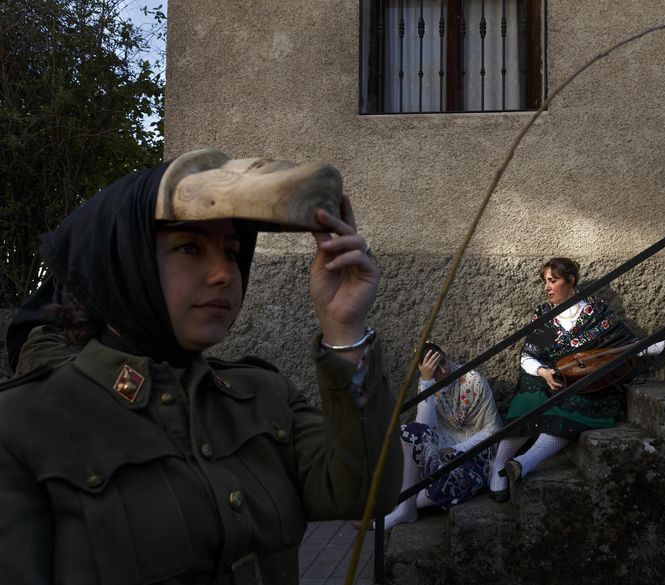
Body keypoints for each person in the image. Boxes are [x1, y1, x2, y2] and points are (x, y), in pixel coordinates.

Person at [0, 150, 402, 584]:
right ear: (124, 264)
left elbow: (366, 494)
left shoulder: (262, 394)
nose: (222, 275)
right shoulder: (23, 425)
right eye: (189, 248)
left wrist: (344, 330)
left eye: (231, 253)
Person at [488, 257, 665, 502]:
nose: (546, 287)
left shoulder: (597, 313)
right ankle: (499, 466)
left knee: (576, 400)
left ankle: (524, 463)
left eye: (552, 281)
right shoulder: (545, 315)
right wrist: (543, 372)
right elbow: (529, 355)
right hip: (551, 378)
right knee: (529, 392)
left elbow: (628, 348)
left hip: (587, 384)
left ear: (571, 281)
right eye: (544, 281)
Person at [380, 342, 502, 530]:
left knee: (448, 480)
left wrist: (456, 450)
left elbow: (492, 430)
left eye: (444, 362)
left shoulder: (472, 380)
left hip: (477, 453)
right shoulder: (427, 382)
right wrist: (427, 382)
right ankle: (404, 507)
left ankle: (404, 506)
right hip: (440, 450)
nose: (444, 371)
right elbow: (424, 428)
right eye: (436, 368)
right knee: (406, 432)